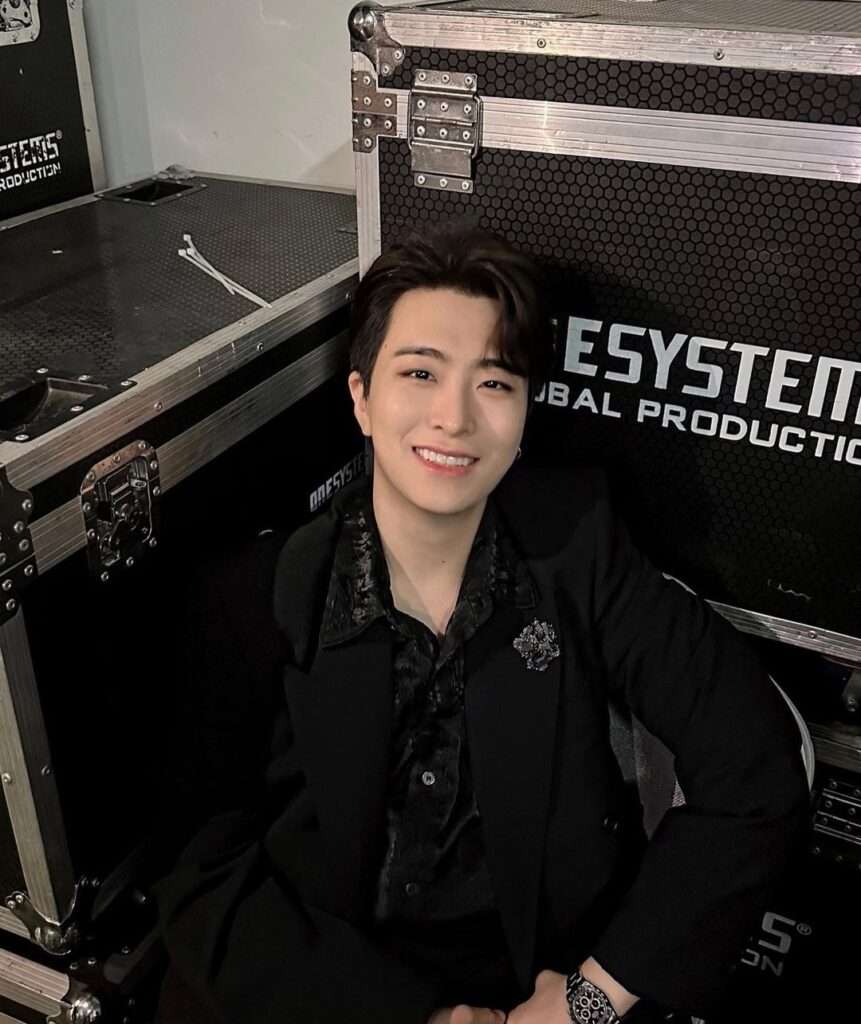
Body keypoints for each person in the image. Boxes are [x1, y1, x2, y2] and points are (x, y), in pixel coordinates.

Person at [155, 223, 809, 1024]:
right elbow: (200, 872)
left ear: (525, 410)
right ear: (360, 398)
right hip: (323, 993)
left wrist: (588, 1000)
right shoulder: (253, 596)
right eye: (419, 372)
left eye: (494, 382)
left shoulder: (579, 544)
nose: (454, 417)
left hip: (534, 992)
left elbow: (754, 766)